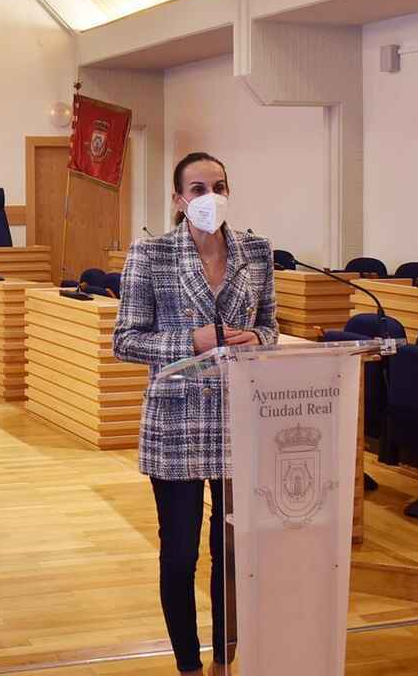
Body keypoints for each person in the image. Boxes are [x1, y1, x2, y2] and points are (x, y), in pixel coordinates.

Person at [112, 152, 278, 675]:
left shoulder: (257, 251)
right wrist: (190, 341)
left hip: (238, 419)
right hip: (176, 422)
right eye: (198, 187)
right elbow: (125, 341)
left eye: (219, 185)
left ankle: (224, 658)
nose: (211, 196)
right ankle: (188, 665)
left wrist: (259, 338)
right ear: (179, 199)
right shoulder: (152, 253)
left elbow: (271, 325)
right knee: (180, 553)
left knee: (231, 552)